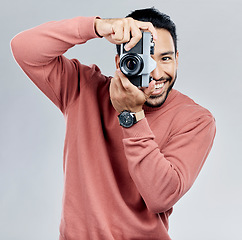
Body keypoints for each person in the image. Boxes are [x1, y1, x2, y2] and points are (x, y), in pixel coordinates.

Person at [11, 7, 216, 240]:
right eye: (144, 59)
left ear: (177, 60)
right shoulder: (83, 88)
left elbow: (161, 196)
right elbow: (23, 48)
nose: (155, 73)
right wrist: (97, 27)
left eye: (165, 58)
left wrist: (131, 115)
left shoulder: (195, 119)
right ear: (121, 62)